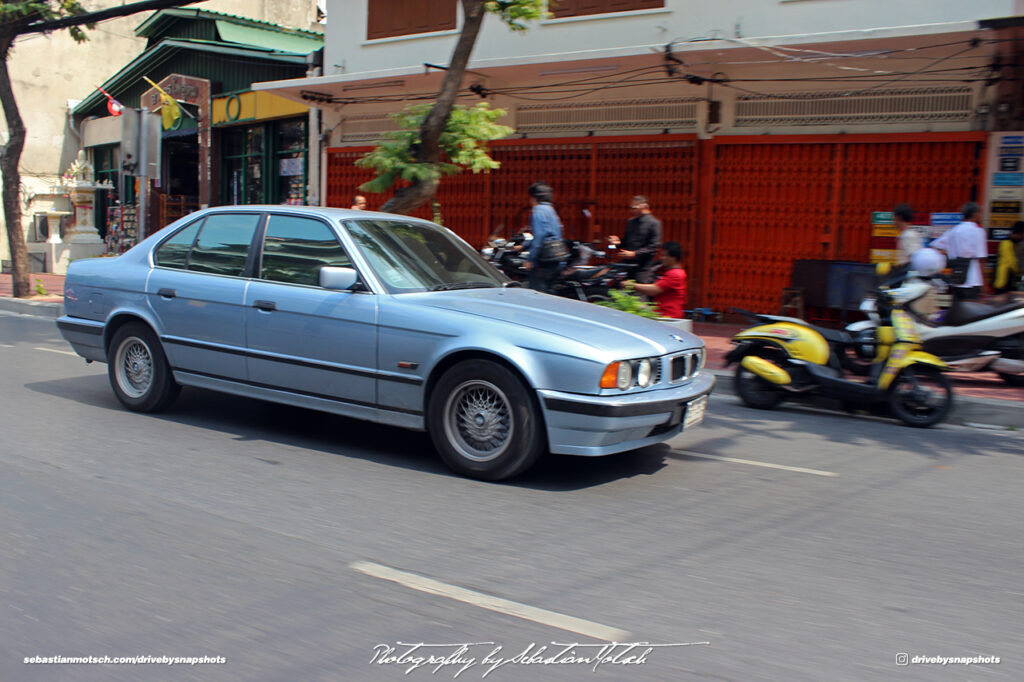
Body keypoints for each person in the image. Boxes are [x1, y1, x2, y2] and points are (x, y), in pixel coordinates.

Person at [931, 202, 987, 302]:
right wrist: (984, 284)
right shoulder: (978, 231)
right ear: (974, 214)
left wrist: (950, 259)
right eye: (980, 213)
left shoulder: (953, 231)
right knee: (972, 312)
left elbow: (935, 245)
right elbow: (981, 259)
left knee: (958, 311)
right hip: (973, 279)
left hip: (957, 278)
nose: (981, 215)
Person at [609, 195, 662, 283]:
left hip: (643, 267)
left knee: (639, 293)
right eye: (631, 208)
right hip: (627, 264)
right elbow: (627, 241)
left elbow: (653, 247)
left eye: (634, 208)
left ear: (644, 206)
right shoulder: (631, 222)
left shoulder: (654, 223)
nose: (631, 211)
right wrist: (619, 242)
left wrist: (635, 254)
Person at [630, 241, 687, 319]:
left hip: (668, 316)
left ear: (673, 258)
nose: (661, 258)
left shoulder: (675, 274)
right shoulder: (674, 272)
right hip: (661, 313)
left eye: (664, 255)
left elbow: (654, 290)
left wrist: (630, 285)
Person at [524, 182, 563, 293]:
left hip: (543, 260)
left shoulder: (538, 210)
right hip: (555, 257)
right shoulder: (551, 210)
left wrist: (530, 259)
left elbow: (539, 236)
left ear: (533, 197)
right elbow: (553, 233)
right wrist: (524, 245)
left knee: (537, 292)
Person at [994, 221, 1024, 294]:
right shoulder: (1006, 243)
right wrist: (1020, 274)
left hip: (1011, 282)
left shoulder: (1017, 243)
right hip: (1003, 282)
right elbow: (1012, 262)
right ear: (1019, 233)